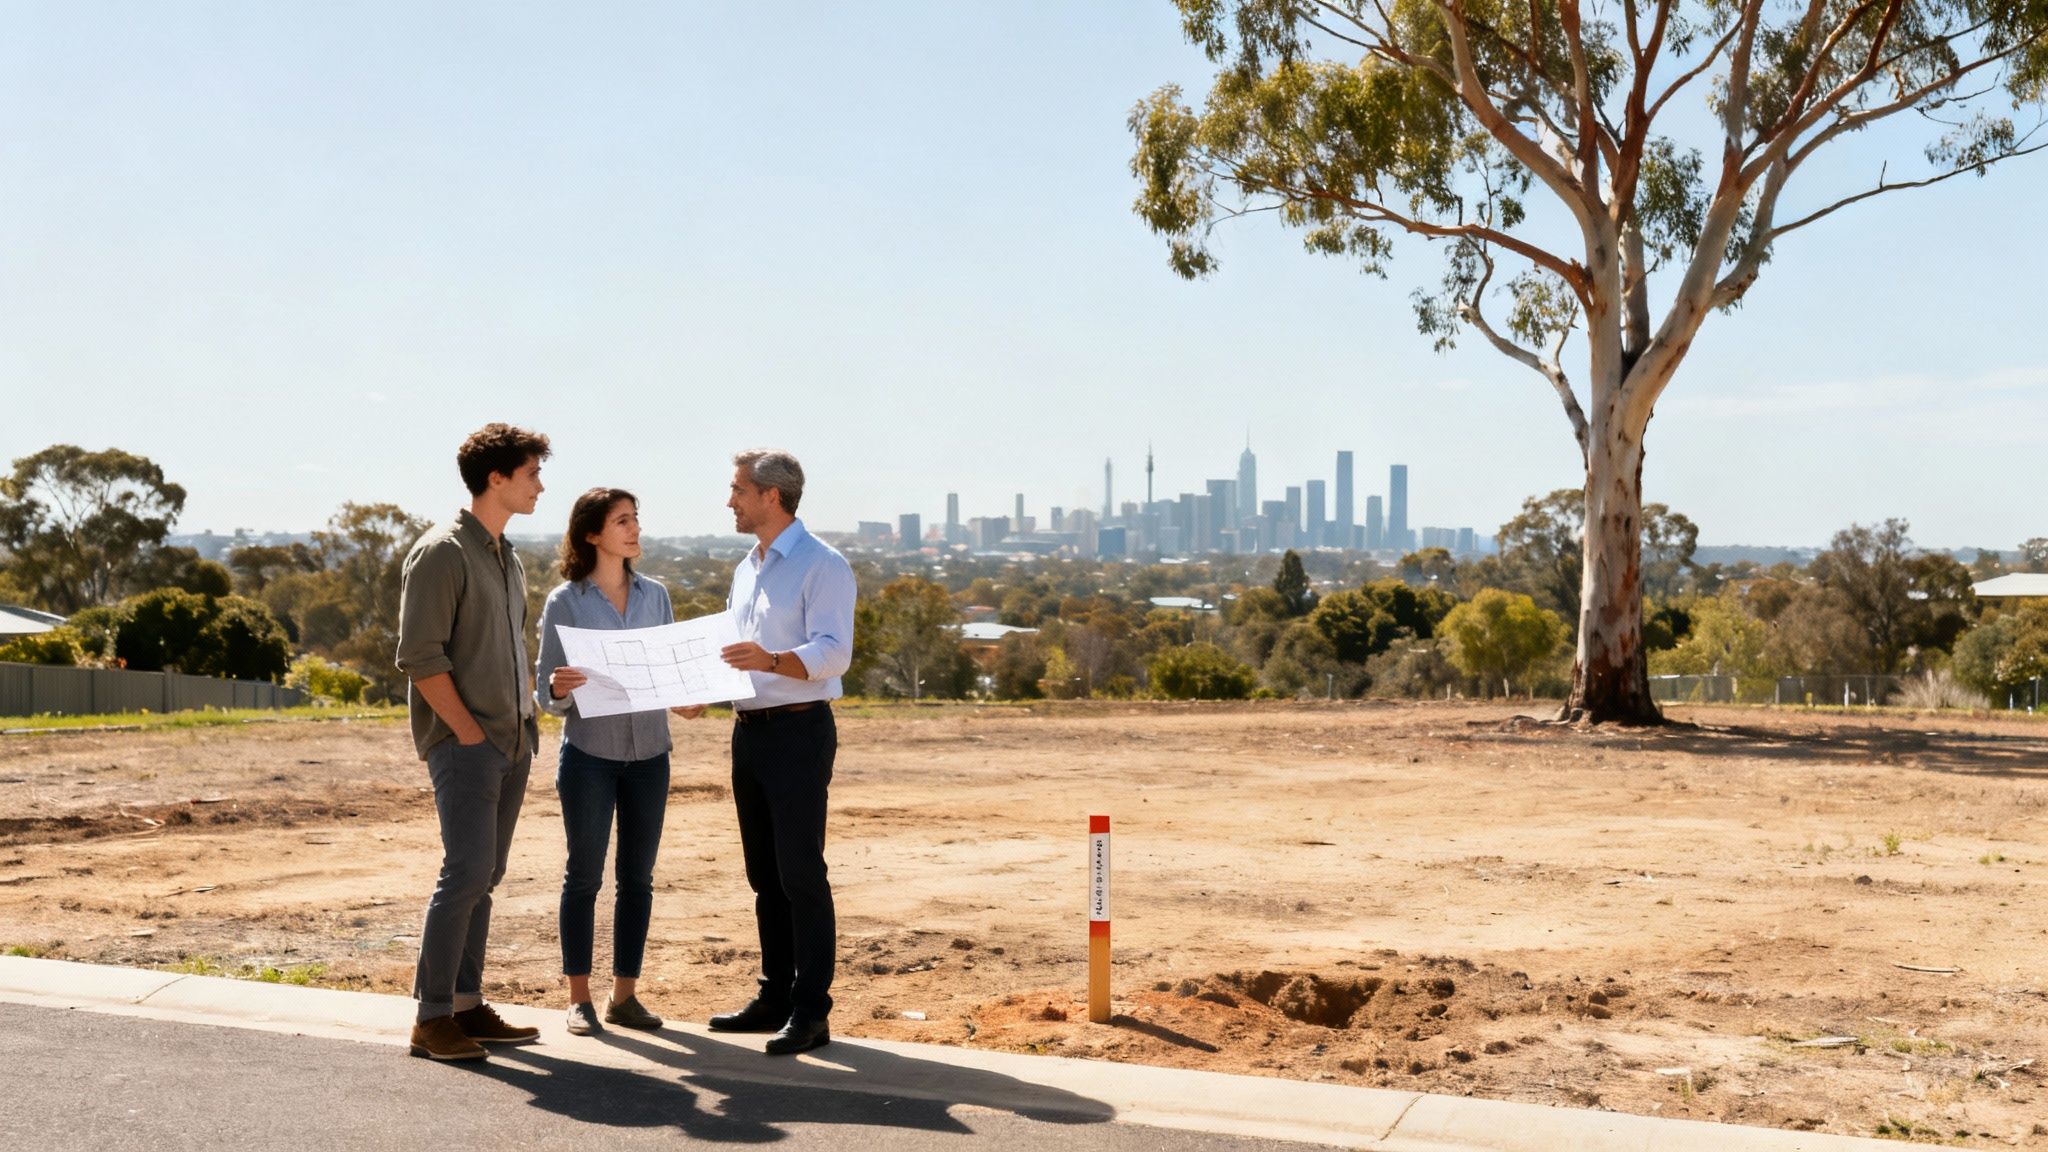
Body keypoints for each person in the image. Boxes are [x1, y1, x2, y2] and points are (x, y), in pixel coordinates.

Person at [395, 422, 552, 1061]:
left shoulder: (505, 554)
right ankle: (431, 1019)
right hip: (468, 744)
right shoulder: (442, 553)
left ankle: (465, 1005)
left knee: (485, 875)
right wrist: (467, 732)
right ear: (497, 478)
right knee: (463, 874)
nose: (540, 485)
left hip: (513, 740)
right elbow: (420, 657)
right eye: (531, 473)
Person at [704, 449, 855, 1055]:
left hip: (799, 732)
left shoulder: (824, 564)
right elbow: (738, 658)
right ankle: (774, 997)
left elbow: (834, 653)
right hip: (750, 732)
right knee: (764, 875)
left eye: (737, 488)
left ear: (772, 495)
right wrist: (704, 695)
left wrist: (770, 661)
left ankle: (811, 1011)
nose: (730, 500)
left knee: (800, 873)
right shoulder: (747, 567)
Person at [532, 488, 677, 1035]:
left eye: (636, 519)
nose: (634, 529)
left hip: (650, 756)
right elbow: (548, 696)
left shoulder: (656, 596)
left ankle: (625, 997)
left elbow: (665, 672)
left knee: (638, 879)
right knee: (583, 877)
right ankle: (579, 999)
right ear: (593, 534)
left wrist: (686, 694)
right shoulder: (564, 601)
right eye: (622, 521)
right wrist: (559, 687)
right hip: (590, 757)